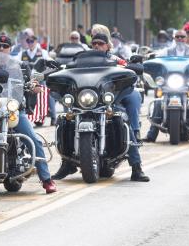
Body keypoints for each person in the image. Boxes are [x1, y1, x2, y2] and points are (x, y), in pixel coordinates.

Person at [51, 32, 149, 182]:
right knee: (66, 122)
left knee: (124, 123)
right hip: (84, 101)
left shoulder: (114, 60)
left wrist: (132, 66)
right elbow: (67, 68)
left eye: (100, 43)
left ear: (108, 46)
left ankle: (136, 167)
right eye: (94, 43)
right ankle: (67, 163)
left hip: (107, 102)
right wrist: (55, 69)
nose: (97, 45)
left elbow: (127, 68)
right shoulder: (80, 60)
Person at [0, 33, 57, 193]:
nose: (1, 48)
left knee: (33, 140)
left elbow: (32, 83)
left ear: (10, 48)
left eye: (4, 46)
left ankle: (46, 179)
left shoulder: (19, 66)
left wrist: (34, 86)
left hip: (13, 111)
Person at [145, 30, 189, 144]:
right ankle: (151, 134)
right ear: (174, 38)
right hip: (169, 84)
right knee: (158, 102)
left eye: (182, 37)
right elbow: (157, 55)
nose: (180, 39)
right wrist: (151, 55)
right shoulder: (167, 50)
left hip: (187, 84)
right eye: (178, 37)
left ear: (186, 38)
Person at [13, 34, 56, 125]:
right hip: (27, 78)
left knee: (47, 91)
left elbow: (49, 61)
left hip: (40, 77)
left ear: (36, 42)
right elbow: (14, 61)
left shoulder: (43, 52)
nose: (30, 43)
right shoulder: (22, 53)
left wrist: (50, 61)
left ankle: (53, 116)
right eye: (28, 41)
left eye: (32, 41)